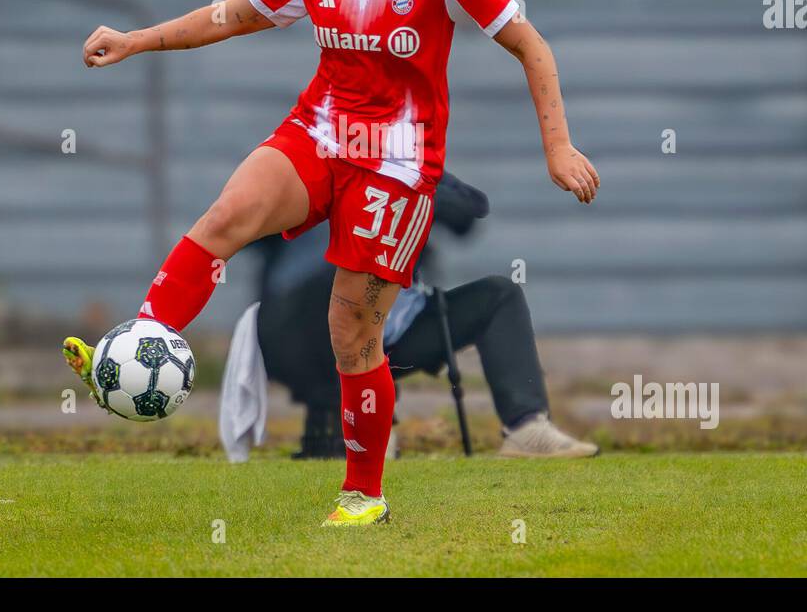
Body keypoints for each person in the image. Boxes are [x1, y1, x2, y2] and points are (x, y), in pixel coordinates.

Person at [62, 0, 600, 527]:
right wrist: (137, 38)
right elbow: (228, 16)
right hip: (319, 133)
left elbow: (530, 43)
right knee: (225, 217)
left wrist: (558, 144)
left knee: (351, 330)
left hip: (397, 166)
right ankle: (136, 350)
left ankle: (364, 493)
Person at [248, 171, 598, 460]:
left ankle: (527, 428)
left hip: (397, 334)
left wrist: (418, 190)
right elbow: (250, 226)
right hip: (304, 336)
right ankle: (363, 431)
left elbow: (471, 210)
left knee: (498, 295)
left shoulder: (412, 168)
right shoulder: (315, 167)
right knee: (334, 282)